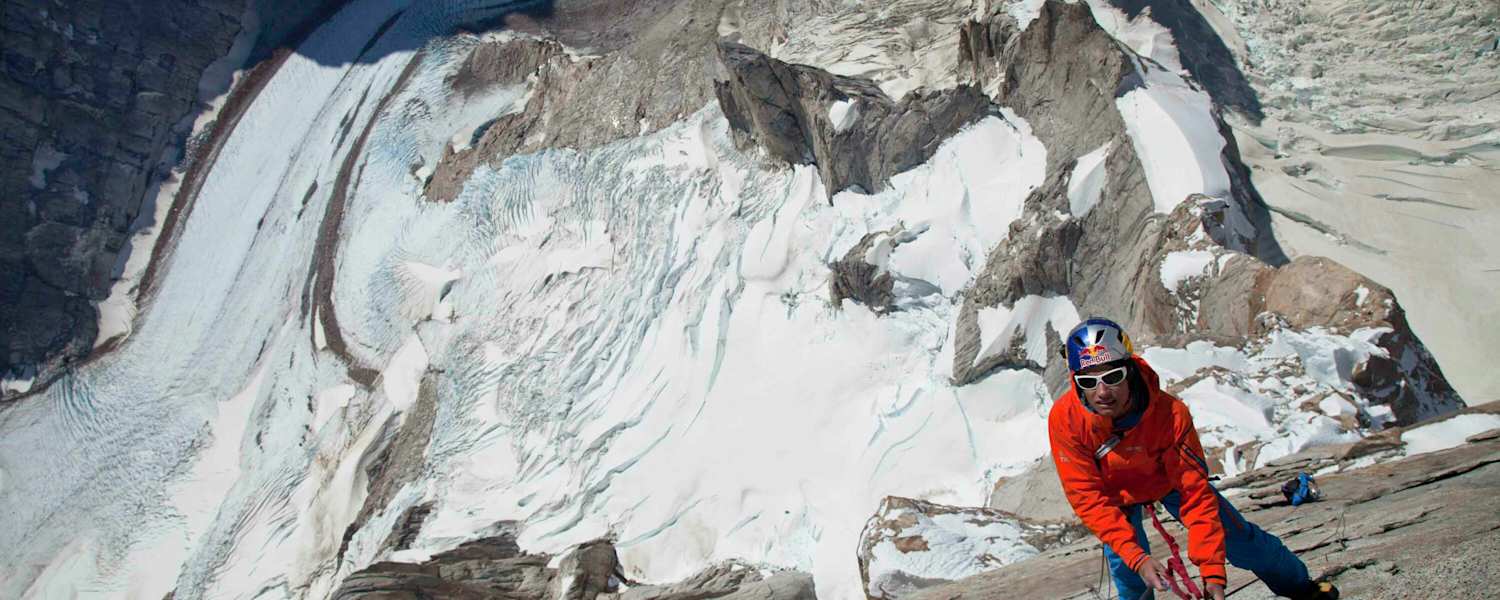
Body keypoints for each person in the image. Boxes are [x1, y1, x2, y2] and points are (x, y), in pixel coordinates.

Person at [1047, 318, 1339, 600]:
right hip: (1116, 496)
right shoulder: (1067, 420)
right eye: (1088, 381)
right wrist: (1137, 558)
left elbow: (1194, 493)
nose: (1102, 392)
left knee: (1244, 544)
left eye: (1113, 377)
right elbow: (1087, 496)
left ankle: (1302, 590)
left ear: (1130, 369)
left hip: (1167, 483)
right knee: (1132, 579)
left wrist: (1212, 570)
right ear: (1075, 380)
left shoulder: (1170, 414)